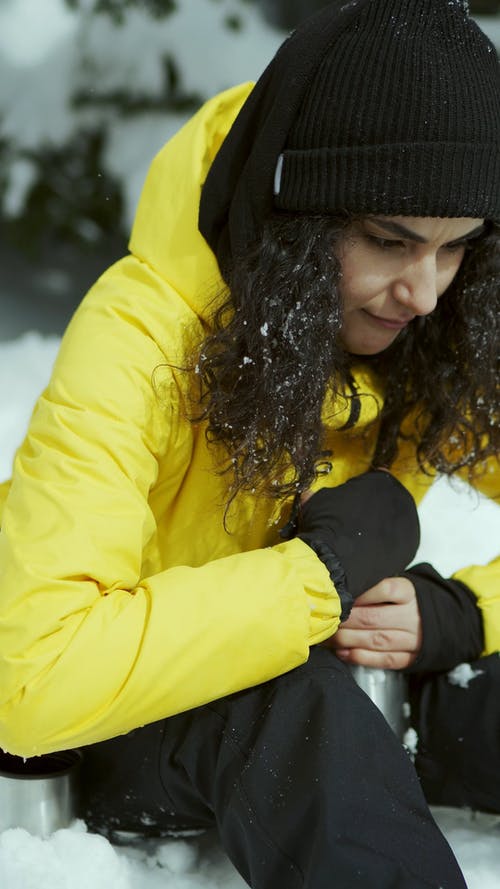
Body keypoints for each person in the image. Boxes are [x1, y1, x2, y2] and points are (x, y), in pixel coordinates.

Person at [0, 0, 498, 885]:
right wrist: (321, 576)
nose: (423, 290)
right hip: (134, 722)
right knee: (295, 708)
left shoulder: (430, 339)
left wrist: (465, 614)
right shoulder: (140, 338)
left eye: (457, 248)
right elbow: (32, 678)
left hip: (335, 683)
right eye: (390, 241)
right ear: (294, 220)